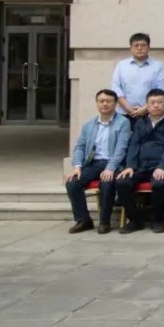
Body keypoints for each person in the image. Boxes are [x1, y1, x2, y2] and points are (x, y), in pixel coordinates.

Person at [64, 89, 131, 234]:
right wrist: (77, 166)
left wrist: (110, 168)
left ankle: (104, 222)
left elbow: (121, 149)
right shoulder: (89, 125)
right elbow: (80, 147)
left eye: (109, 101)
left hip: (114, 164)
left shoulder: (123, 123)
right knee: (72, 183)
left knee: (106, 183)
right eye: (101, 101)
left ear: (115, 104)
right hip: (93, 163)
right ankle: (83, 220)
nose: (105, 104)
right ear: (97, 103)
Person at [114, 89, 164, 233]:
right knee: (122, 182)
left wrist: (162, 166)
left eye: (160, 102)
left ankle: (156, 219)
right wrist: (130, 166)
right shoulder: (140, 122)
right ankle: (135, 220)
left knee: (159, 183)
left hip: (161, 166)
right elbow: (134, 145)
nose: (156, 105)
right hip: (140, 166)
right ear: (147, 105)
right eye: (152, 102)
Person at [111, 32, 164, 120]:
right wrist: (128, 108)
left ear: (149, 47)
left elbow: (160, 90)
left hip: (149, 114)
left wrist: (145, 109)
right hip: (124, 113)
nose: (139, 48)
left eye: (143, 45)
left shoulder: (157, 66)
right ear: (130, 48)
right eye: (136, 45)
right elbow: (116, 88)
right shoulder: (122, 65)